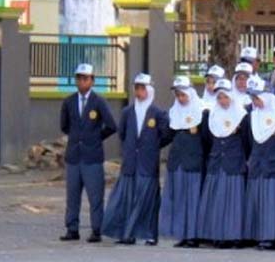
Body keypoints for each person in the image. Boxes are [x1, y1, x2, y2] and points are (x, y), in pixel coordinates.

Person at [103, 74, 170, 245]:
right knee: (127, 199)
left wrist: (152, 147)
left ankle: (149, 234)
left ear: (149, 90)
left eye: (142, 88)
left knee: (148, 200)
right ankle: (127, 234)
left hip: (148, 164)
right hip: (131, 164)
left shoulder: (158, 114)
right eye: (137, 88)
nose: (139, 92)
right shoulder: (127, 112)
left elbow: (166, 136)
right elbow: (123, 134)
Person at [59, 63, 118, 243]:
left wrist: (94, 138)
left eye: (85, 78)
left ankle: (96, 229)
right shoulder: (69, 101)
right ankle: (72, 228)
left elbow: (111, 125)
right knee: (72, 195)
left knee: (95, 196)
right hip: (74, 156)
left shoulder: (99, 101)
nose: (81, 82)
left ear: (92, 81)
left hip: (92, 157)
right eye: (79, 78)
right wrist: (78, 138)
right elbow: (65, 126)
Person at [197, 79, 251, 249]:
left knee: (233, 201)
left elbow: (246, 142)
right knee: (216, 199)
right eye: (219, 98)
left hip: (234, 163)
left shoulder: (242, 116)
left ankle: (234, 236)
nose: (222, 101)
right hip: (216, 162)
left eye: (225, 97)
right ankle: (216, 235)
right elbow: (207, 139)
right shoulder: (211, 115)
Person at [160, 76, 210, 248]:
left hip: (194, 163)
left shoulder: (202, 111)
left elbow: (206, 140)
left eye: (183, 95)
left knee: (193, 199)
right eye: (178, 95)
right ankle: (182, 234)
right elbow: (167, 136)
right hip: (177, 163)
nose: (181, 98)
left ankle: (193, 236)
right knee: (180, 199)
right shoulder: (174, 112)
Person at [244, 76, 275, 250]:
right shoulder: (252, 117)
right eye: (253, 98)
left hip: (274, 166)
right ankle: (257, 235)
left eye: (257, 97)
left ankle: (271, 237)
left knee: (272, 202)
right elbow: (249, 141)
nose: (255, 102)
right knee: (257, 201)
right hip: (257, 165)